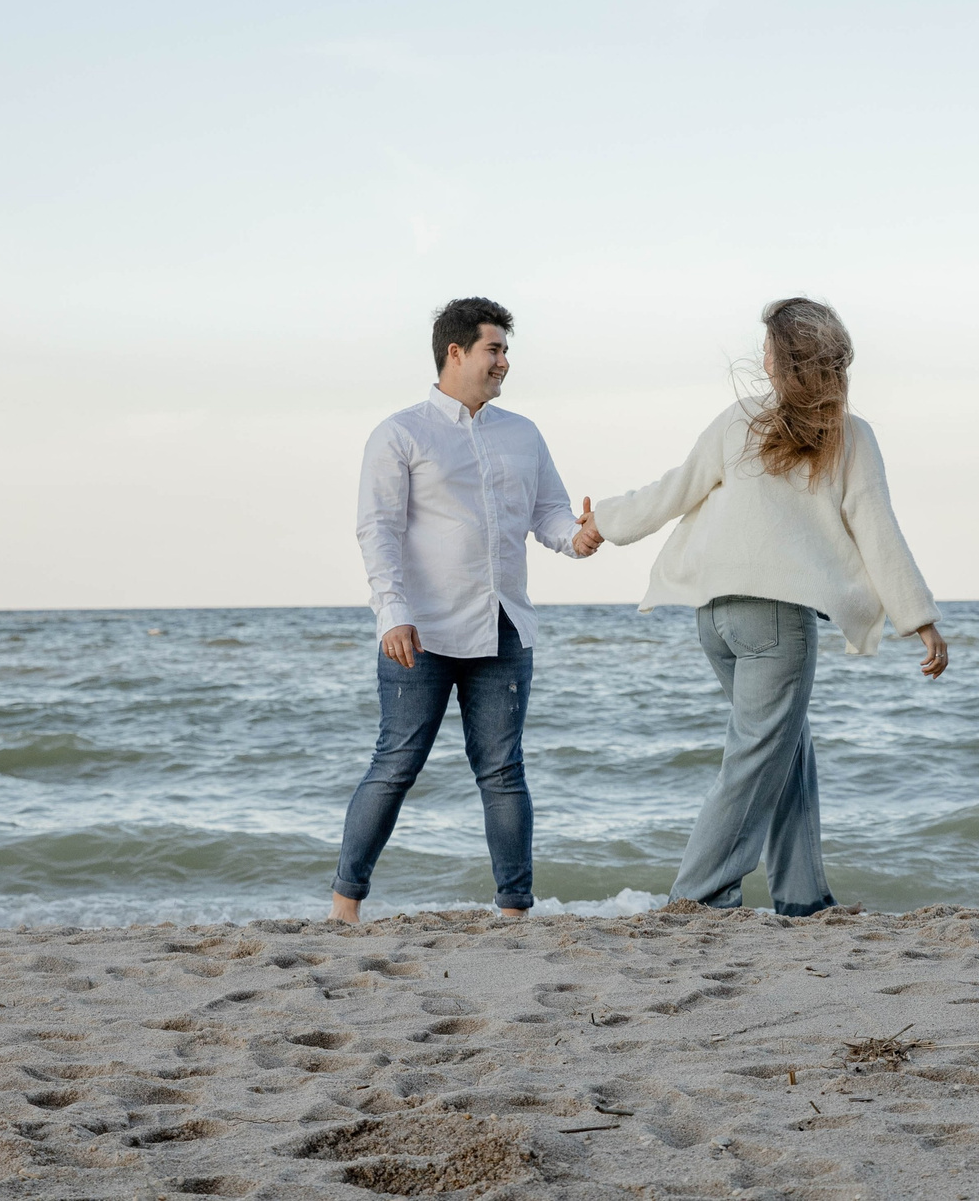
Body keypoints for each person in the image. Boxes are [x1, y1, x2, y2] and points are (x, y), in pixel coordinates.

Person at [577, 297, 946, 917]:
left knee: (785, 752)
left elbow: (673, 490)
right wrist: (920, 617)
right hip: (777, 621)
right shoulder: (849, 436)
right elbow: (876, 527)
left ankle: (804, 898)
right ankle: (696, 898)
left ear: (776, 362)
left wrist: (603, 522)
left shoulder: (739, 420)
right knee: (755, 758)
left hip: (715, 616)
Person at [332, 297, 598, 924]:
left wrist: (580, 536)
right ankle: (344, 907)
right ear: (456, 352)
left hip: (504, 625)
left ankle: (514, 915)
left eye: (505, 350)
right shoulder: (401, 433)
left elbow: (548, 513)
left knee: (503, 771)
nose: (505, 361)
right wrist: (392, 613)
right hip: (419, 632)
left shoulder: (523, 433)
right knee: (395, 765)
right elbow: (378, 531)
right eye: (494, 349)